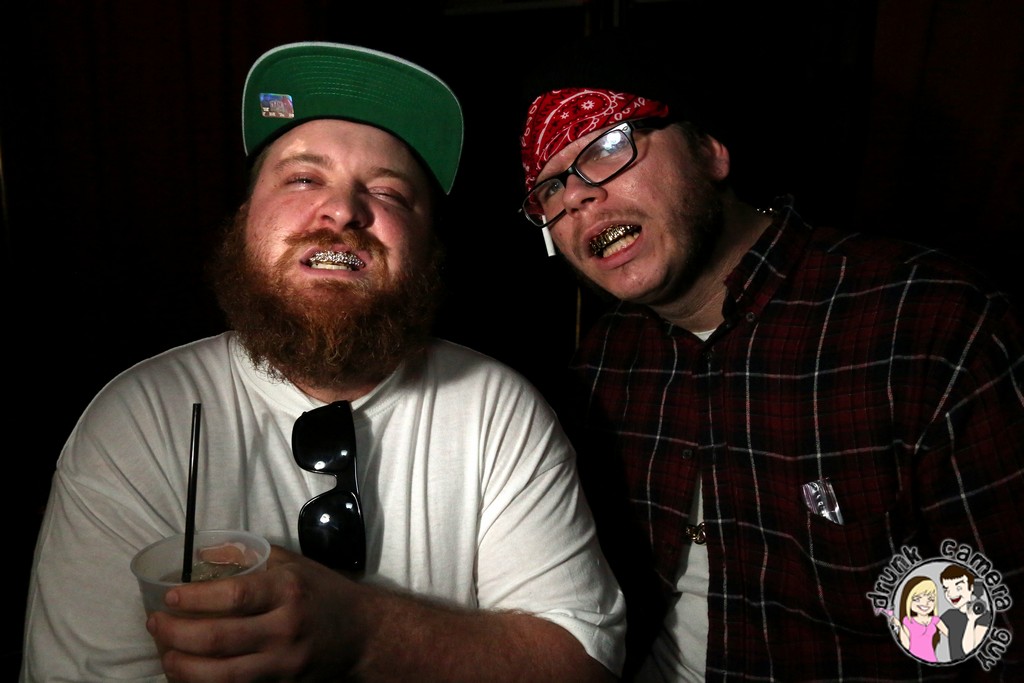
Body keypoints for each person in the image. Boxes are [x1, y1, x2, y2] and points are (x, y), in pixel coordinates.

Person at [20, 41, 625, 682]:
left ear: (427, 247)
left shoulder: (498, 409)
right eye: (304, 179)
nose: (343, 210)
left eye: (389, 192)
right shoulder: (137, 421)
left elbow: (582, 662)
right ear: (245, 219)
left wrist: (364, 632)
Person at [513, 34, 1024, 681]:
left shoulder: (930, 325)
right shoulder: (604, 364)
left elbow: (1000, 636)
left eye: (607, 147)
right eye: (549, 187)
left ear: (711, 151)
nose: (576, 197)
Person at [940, 565, 993, 661]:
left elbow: (968, 651)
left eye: (958, 588)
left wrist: (971, 620)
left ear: (971, 587)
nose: (951, 594)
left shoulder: (984, 616)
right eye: (946, 589)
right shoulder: (949, 615)